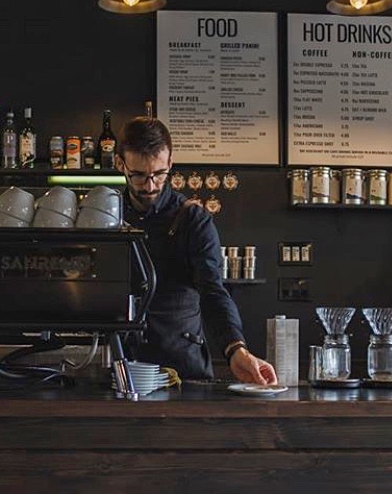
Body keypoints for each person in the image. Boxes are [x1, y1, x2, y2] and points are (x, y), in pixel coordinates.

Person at [116, 116, 277, 384]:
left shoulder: (192, 220)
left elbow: (213, 291)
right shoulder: (107, 215)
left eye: (159, 174)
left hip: (182, 365)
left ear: (170, 163)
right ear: (120, 164)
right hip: (121, 361)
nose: (151, 185)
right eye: (139, 175)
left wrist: (236, 349)